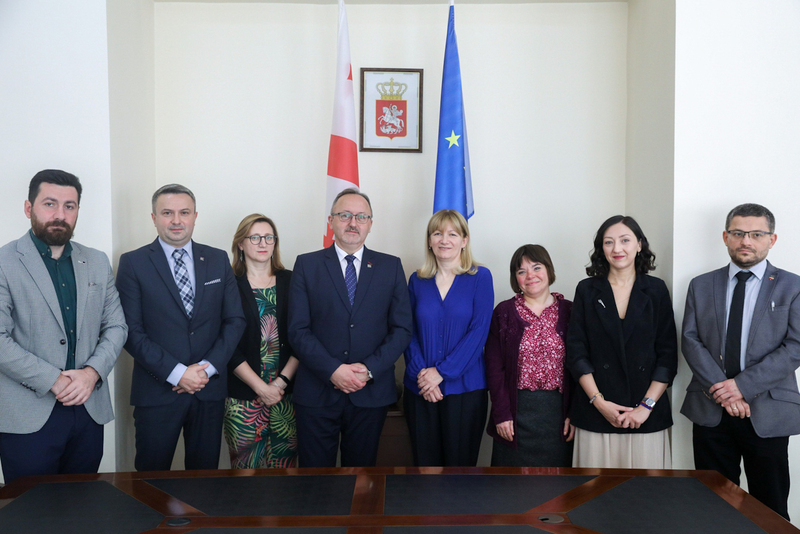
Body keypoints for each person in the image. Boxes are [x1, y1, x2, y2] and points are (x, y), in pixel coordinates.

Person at [0, 170, 127, 484]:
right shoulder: (4, 262)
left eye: (69, 206)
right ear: (29, 208)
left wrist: (91, 373)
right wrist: (53, 379)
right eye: (50, 204)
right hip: (27, 414)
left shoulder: (97, 261)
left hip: (87, 409)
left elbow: (116, 326)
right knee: (30, 515)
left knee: (81, 511)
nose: (60, 215)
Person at [681, 203, 800, 520]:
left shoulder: (793, 286)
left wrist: (741, 388)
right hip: (711, 410)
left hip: (769, 412)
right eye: (738, 233)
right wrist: (724, 392)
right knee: (711, 507)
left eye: (756, 234)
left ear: (771, 240)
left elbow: (795, 346)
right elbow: (690, 340)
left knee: (770, 508)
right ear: (725, 237)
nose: (746, 241)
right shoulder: (702, 285)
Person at [116, 184, 245, 471]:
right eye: (167, 213)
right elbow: (130, 331)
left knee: (204, 482)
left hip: (208, 391)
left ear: (195, 216)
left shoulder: (217, 258)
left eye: (184, 212)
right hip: (157, 392)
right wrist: (177, 374)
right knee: (151, 481)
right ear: (153, 218)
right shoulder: (133, 263)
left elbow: (235, 320)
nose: (176, 220)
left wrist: (205, 370)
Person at [288, 188, 412, 467]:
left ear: (370, 223)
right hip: (317, 393)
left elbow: (402, 329)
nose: (353, 223)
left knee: (362, 480)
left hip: (370, 392)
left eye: (361, 217)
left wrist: (367, 370)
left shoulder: (390, 267)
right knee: (314, 482)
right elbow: (298, 330)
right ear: (331, 221)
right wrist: (333, 370)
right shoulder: (307, 265)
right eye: (345, 215)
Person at [566, 215, 677, 469]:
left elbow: (667, 354)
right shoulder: (586, 289)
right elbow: (576, 352)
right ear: (601, 248)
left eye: (625, 240)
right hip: (596, 411)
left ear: (639, 245)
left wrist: (645, 407)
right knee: (592, 500)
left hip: (646, 414)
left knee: (645, 501)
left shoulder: (657, 289)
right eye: (609, 242)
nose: (617, 249)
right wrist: (599, 402)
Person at [403, 209, 493, 466]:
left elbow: (479, 333)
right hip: (420, 390)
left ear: (464, 240)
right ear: (429, 240)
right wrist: (424, 376)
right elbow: (407, 331)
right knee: (425, 469)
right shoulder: (417, 280)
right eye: (437, 233)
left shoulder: (480, 277)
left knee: (460, 472)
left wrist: (441, 373)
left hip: (466, 390)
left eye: (453, 234)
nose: (445, 239)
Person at [485, 244, 574, 467]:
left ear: (548, 270)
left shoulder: (571, 311)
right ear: (515, 278)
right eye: (521, 271)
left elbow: (580, 367)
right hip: (515, 412)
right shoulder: (503, 312)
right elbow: (494, 368)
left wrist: (576, 413)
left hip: (558, 414)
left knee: (559, 490)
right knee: (512, 490)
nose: (530, 276)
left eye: (536, 267)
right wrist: (501, 413)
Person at [224, 214, 298, 468]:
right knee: (246, 473)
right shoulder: (229, 285)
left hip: (286, 396)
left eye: (269, 237)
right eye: (254, 237)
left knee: (286, 473)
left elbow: (304, 336)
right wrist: (260, 387)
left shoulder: (293, 281)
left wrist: (280, 383)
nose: (262, 242)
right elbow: (226, 344)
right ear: (241, 244)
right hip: (243, 398)